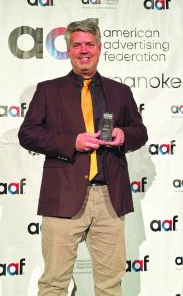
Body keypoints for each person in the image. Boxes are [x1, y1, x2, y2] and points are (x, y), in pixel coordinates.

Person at [18, 19, 148, 296]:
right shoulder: (48, 90)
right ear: (68, 50)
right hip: (63, 196)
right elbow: (27, 134)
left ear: (99, 48)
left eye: (89, 44)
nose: (83, 50)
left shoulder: (120, 92)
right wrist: (71, 142)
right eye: (77, 45)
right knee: (54, 282)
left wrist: (125, 135)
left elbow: (140, 132)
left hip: (109, 199)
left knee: (110, 284)